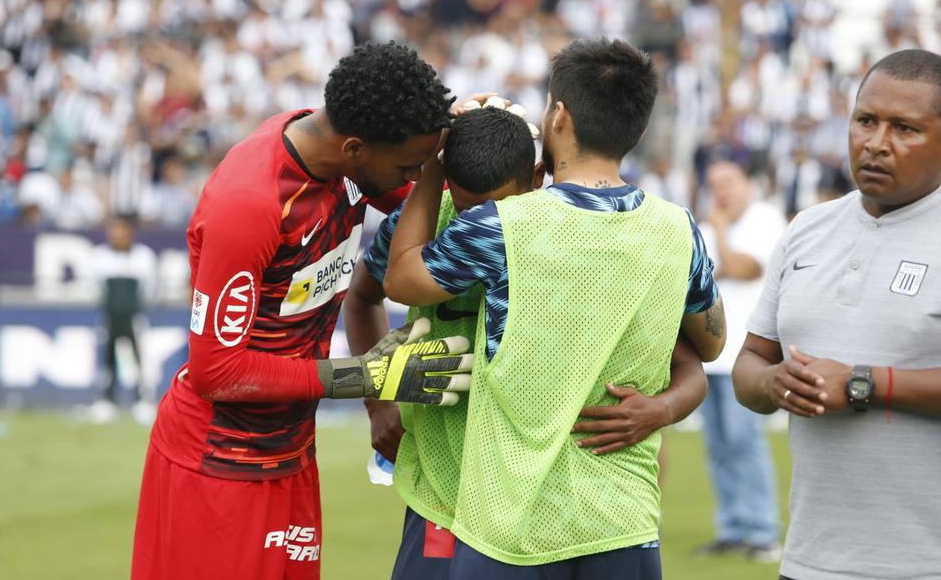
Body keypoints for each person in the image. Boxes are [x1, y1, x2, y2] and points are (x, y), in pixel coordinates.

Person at [130, 42, 473, 580]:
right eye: (408, 164)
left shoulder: (346, 157)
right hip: (218, 466)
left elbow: (439, 193)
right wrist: (368, 378)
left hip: (290, 457)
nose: (414, 176)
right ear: (357, 149)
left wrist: (480, 131)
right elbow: (217, 370)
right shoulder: (251, 204)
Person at [385, 38, 726, 578]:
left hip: (508, 522)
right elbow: (709, 343)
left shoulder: (502, 225)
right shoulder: (677, 229)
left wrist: (435, 163)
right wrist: (663, 405)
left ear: (558, 116)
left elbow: (401, 278)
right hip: (621, 519)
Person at [732, 49, 941, 580]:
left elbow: (857, 383)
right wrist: (775, 383)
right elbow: (750, 364)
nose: (876, 143)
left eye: (905, 129)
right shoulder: (808, 228)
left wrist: (863, 384)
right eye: (865, 120)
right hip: (809, 561)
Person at [694, 160, 786, 562]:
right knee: (717, 447)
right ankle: (732, 528)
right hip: (711, 357)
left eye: (728, 182)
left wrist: (717, 228)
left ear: (748, 182)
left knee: (744, 442)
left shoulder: (766, 219)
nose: (721, 192)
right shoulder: (707, 223)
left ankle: (764, 531)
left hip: (745, 356)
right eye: (714, 184)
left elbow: (743, 269)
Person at [90, 213, 157, 424]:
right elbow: (96, 288)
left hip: (134, 316)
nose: (117, 235)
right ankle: (107, 401)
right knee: (108, 358)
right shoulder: (100, 256)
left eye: (122, 230)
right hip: (109, 317)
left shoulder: (144, 257)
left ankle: (141, 400)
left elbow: (150, 289)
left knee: (138, 358)